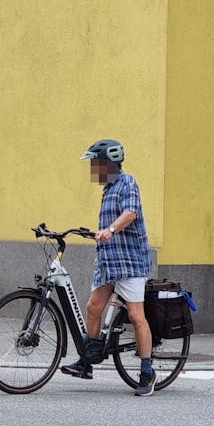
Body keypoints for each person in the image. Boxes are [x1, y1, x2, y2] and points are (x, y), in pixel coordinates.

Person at [61, 138, 158, 396]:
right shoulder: (107, 188)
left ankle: (147, 373)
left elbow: (130, 213)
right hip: (107, 261)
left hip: (130, 262)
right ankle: (87, 361)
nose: (94, 169)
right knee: (93, 308)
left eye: (96, 163)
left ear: (108, 163)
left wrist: (111, 229)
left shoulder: (128, 183)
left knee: (137, 316)